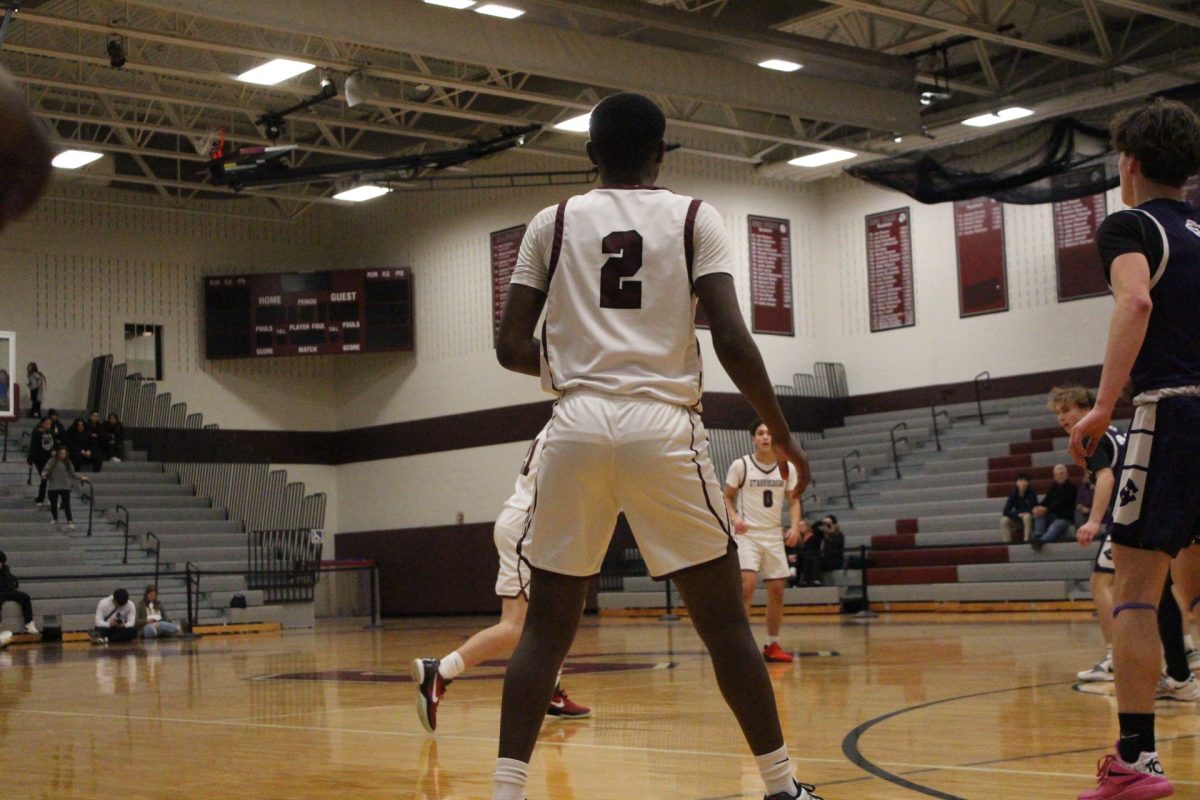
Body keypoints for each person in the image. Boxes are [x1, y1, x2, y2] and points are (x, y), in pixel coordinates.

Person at [493, 93, 818, 800]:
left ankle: (504, 792)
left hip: (574, 425)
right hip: (662, 424)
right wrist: (783, 434)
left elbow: (508, 345)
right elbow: (730, 337)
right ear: (662, 152)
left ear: (589, 157)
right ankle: (782, 787)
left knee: (545, 628)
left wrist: (579, 372)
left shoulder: (551, 222)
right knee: (725, 625)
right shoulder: (696, 216)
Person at [1068, 97, 1200, 800]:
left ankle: (1134, 761)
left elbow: (1135, 303)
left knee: (1137, 594)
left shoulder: (1130, 224)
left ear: (1130, 164)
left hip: (1172, 413)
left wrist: (1103, 405)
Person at [411, 425, 590, 733]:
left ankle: (551, 689)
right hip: (529, 528)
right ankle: (440, 670)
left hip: (536, 528)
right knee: (516, 626)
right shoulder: (577, 426)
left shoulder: (569, 418)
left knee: (563, 612)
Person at [723, 419, 801, 662]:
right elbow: (726, 498)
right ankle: (741, 647)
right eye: (761, 433)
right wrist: (734, 518)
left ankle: (772, 644)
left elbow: (794, 500)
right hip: (747, 535)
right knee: (746, 586)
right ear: (753, 438)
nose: (766, 437)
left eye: (769, 433)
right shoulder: (741, 465)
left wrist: (796, 526)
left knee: (777, 591)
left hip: (773, 534)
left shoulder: (787, 467)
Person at [1030, 464, 1077, 549]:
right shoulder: (1053, 488)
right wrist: (1037, 508)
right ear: (1054, 476)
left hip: (1065, 518)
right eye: (1057, 474)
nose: (1060, 476)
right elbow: (1045, 501)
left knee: (1056, 524)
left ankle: (1042, 540)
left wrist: (1046, 509)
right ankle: (1038, 535)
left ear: (1067, 475)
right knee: (1038, 514)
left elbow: (1062, 504)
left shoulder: (1072, 488)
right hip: (1053, 515)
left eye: (1062, 473)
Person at [42, 446, 88, 530]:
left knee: (66, 504)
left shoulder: (68, 462)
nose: (63, 455)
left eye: (64, 454)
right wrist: (44, 474)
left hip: (65, 486)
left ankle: (70, 521)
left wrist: (81, 477)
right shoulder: (52, 461)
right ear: (58, 453)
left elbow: (73, 473)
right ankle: (55, 518)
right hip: (54, 485)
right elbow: (46, 469)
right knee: (53, 504)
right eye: (61, 453)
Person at [0, 551, 38, 636]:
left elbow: (12, 582)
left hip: (8, 591)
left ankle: (29, 624)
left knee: (25, 597)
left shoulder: (6, 570)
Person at [26, 416, 56, 506]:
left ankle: (51, 498)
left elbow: (53, 444)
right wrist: (30, 460)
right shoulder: (37, 431)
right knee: (44, 478)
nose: (49, 426)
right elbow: (33, 446)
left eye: (50, 424)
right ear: (42, 423)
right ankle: (41, 498)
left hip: (49, 458)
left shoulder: (51, 432)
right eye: (47, 424)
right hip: (40, 458)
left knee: (52, 479)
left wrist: (54, 450)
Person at [1000, 474, 1038, 542]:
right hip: (1019, 520)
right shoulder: (1013, 494)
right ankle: (1007, 543)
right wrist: (1017, 514)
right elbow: (1005, 511)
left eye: (1025, 480)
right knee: (1004, 520)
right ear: (1016, 483)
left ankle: (1027, 540)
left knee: (1026, 516)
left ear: (1028, 483)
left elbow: (1031, 509)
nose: (1023, 483)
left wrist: (1020, 513)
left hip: (1031, 520)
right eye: (1020, 480)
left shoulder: (1032, 494)